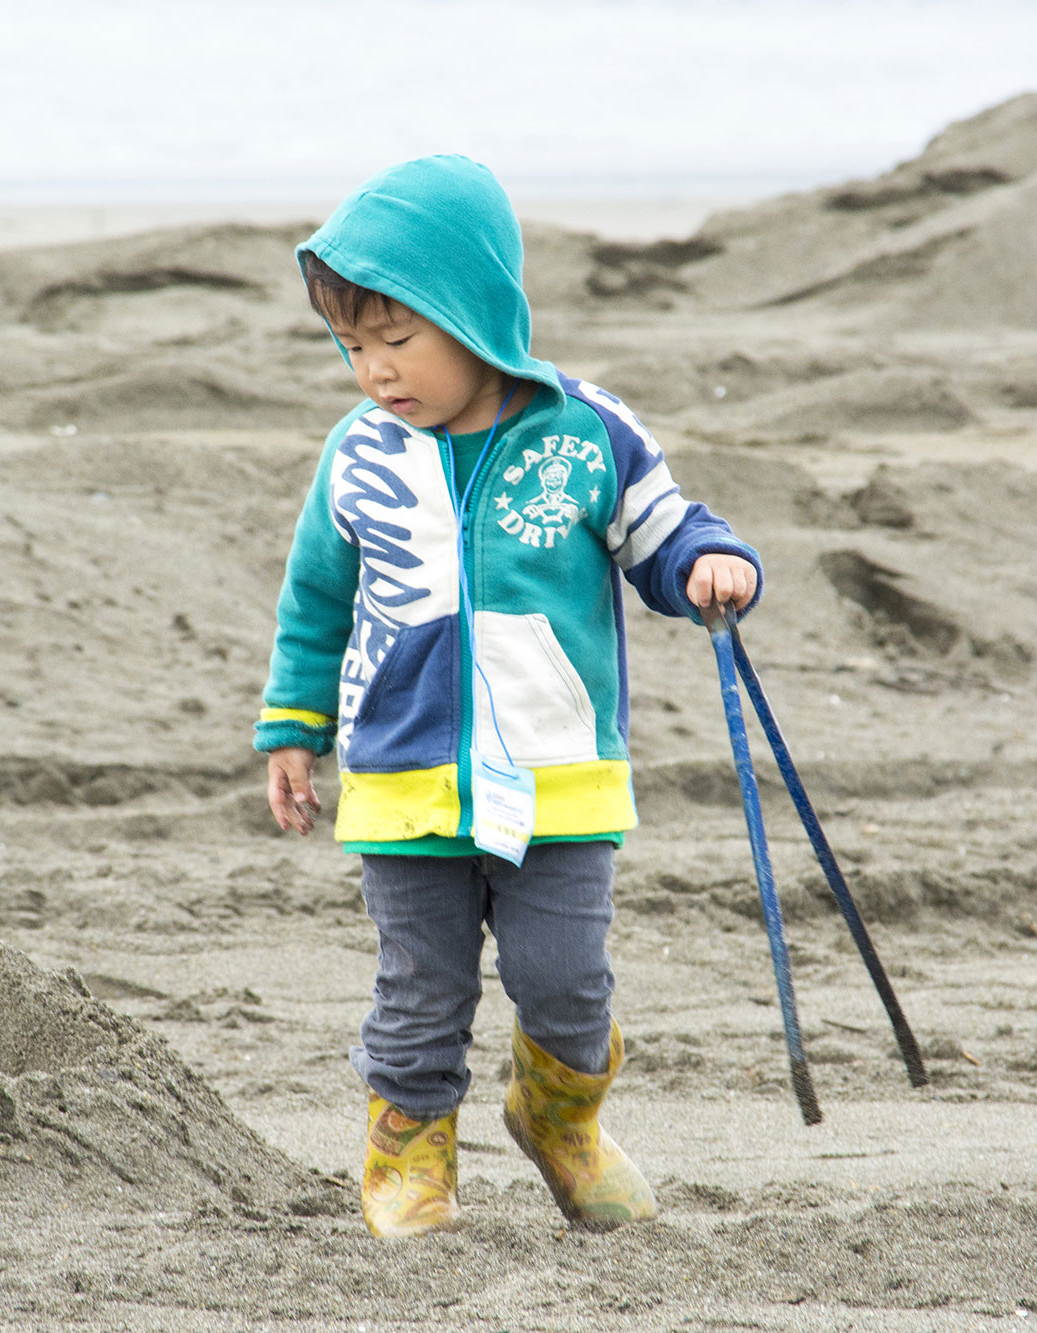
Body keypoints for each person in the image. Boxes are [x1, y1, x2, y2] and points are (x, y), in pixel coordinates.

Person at [254, 155, 760, 1238]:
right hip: (404, 782)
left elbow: (665, 529)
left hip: (560, 777)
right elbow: (315, 601)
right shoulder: (356, 456)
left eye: (397, 338)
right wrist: (293, 728)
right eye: (351, 345)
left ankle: (560, 1117)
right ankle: (408, 1152)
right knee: (420, 991)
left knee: (567, 984)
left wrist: (709, 564)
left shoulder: (586, 430)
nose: (374, 370)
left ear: (473, 312)